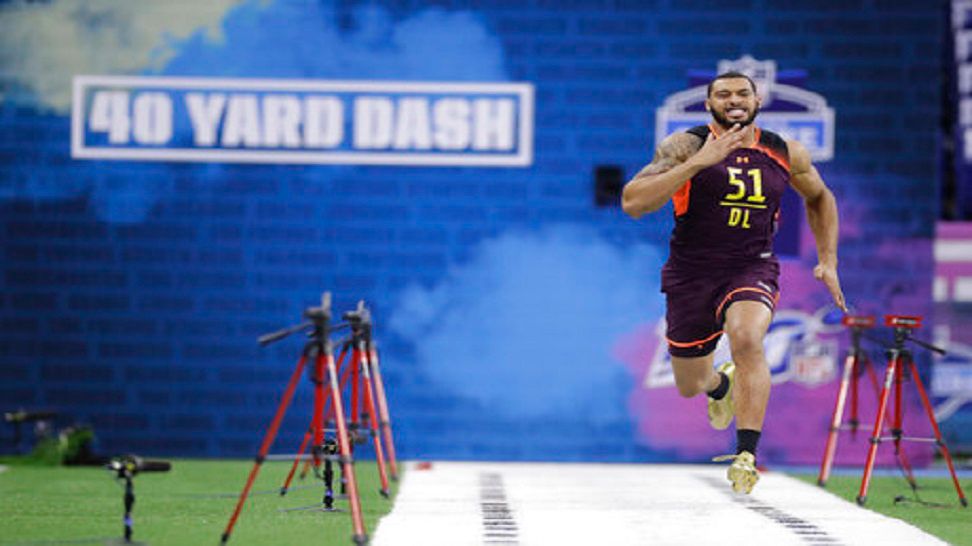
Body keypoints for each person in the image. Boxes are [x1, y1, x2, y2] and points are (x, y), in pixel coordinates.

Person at [621, 71, 846, 494]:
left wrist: (828, 261)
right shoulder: (685, 145)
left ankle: (746, 454)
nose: (734, 100)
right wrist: (696, 164)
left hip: (751, 267)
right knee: (691, 384)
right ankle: (719, 384)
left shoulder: (786, 151)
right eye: (723, 95)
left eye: (743, 93)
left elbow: (820, 197)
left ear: (757, 101)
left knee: (746, 337)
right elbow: (633, 202)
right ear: (709, 105)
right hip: (691, 273)